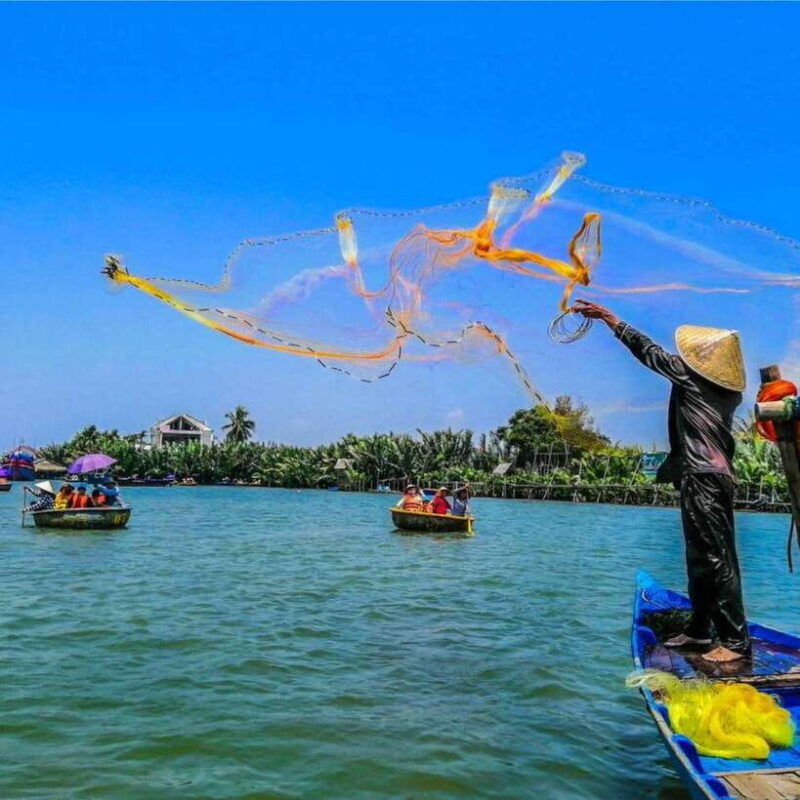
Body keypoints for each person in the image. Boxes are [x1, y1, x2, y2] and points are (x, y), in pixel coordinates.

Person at [575, 299, 749, 664]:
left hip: (704, 476)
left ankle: (734, 642)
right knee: (701, 558)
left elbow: (648, 351)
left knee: (715, 558)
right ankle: (702, 631)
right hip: (707, 476)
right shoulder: (729, 392)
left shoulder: (691, 378)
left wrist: (610, 319)